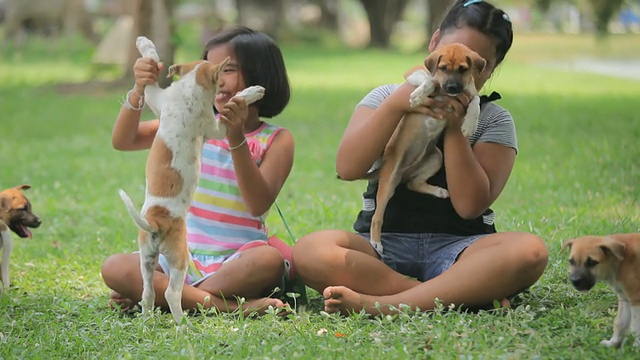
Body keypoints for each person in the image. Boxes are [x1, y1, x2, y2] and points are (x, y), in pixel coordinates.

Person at [291, 0, 548, 316]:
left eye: (471, 64)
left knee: (530, 251)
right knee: (309, 251)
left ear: (487, 68)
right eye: (449, 56)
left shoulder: (494, 120)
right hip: (381, 246)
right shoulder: (387, 97)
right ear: (434, 44)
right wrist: (396, 107)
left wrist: (454, 127)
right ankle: (445, 295)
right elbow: (347, 168)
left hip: (459, 249)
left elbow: (469, 206)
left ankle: (382, 304)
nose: (454, 74)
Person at [101, 26, 295, 315]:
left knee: (270, 261)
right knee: (114, 268)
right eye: (207, 66)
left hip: (236, 259)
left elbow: (257, 204)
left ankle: (166, 295)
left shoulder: (277, 140)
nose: (214, 76)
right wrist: (139, 89)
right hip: (178, 251)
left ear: (261, 74)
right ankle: (225, 306)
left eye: (227, 69)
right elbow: (124, 140)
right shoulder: (190, 121)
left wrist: (236, 136)